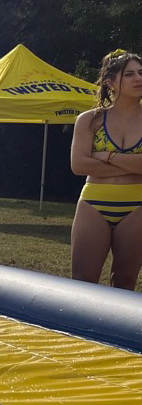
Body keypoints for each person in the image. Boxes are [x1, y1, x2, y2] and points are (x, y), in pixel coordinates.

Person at [70, 50, 142, 289]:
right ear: (110, 82)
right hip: (93, 203)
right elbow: (79, 165)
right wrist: (132, 166)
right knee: (82, 280)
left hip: (137, 205)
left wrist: (107, 156)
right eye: (129, 74)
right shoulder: (89, 120)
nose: (138, 78)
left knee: (125, 282)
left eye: (141, 73)